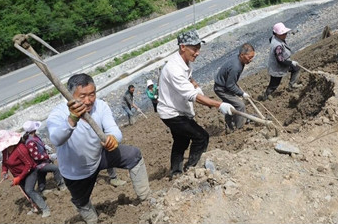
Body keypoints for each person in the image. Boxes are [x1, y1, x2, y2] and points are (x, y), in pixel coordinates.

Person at [47, 73, 150, 224]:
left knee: (133, 155)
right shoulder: (58, 113)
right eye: (82, 96)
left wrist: (113, 139)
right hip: (76, 171)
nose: (88, 101)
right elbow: (56, 139)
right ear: (69, 95)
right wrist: (72, 119)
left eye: (92, 94)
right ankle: (92, 220)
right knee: (81, 201)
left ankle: (146, 199)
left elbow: (114, 130)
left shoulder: (100, 106)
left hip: (99, 156)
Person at [157, 29, 235, 178]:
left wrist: (196, 86)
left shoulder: (184, 62)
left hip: (177, 109)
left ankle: (176, 171)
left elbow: (190, 81)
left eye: (199, 48)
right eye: (194, 48)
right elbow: (193, 96)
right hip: (171, 113)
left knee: (181, 140)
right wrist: (219, 105)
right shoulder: (174, 69)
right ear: (183, 47)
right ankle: (191, 169)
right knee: (201, 137)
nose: (197, 52)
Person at [0, 130, 51, 218]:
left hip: (30, 172)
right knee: (26, 192)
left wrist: (19, 177)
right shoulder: (5, 151)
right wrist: (4, 171)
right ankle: (35, 206)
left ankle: (45, 209)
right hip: (18, 175)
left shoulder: (20, 149)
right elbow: (5, 162)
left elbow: (29, 165)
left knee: (29, 190)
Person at [214, 43, 255, 132]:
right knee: (240, 105)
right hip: (222, 89)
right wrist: (242, 93)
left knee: (230, 104)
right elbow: (230, 85)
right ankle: (240, 127)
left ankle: (229, 123)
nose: (251, 60)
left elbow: (231, 83)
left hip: (224, 86)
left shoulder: (239, 61)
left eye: (252, 57)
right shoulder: (236, 66)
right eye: (250, 57)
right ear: (242, 55)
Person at [260, 22, 302, 101]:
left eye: (285, 33)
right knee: (274, 84)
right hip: (277, 67)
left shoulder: (273, 37)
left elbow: (270, 39)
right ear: (277, 34)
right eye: (283, 34)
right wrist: (291, 62)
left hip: (282, 62)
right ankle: (266, 95)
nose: (285, 35)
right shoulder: (278, 46)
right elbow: (280, 61)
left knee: (296, 68)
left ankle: (292, 85)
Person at [22, 120, 66, 193]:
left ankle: (41, 189)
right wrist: (48, 156)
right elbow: (36, 157)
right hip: (38, 164)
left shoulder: (34, 137)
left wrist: (45, 146)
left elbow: (39, 144)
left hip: (42, 161)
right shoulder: (30, 142)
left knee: (41, 175)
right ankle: (61, 185)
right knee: (55, 169)